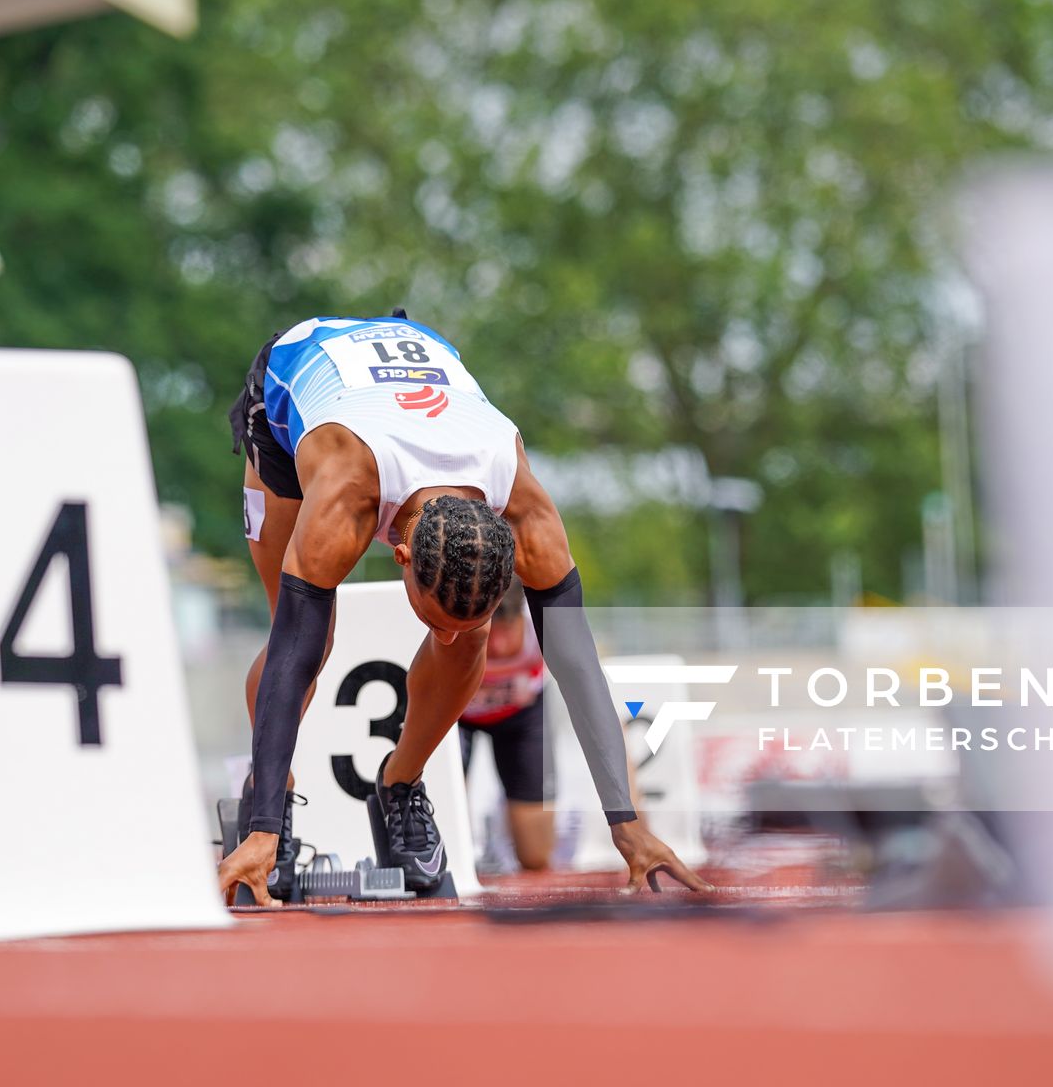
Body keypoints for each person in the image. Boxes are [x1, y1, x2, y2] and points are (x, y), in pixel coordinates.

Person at [216, 313, 710, 905]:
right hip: (296, 377)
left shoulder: (524, 511)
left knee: (471, 640)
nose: (442, 642)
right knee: (305, 639)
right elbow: (290, 657)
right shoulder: (344, 493)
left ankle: (399, 785)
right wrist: (265, 828)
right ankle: (268, 805)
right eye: (434, 622)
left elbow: (578, 669)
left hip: (413, 367)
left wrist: (629, 827)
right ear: (398, 554)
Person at [458, 584, 555, 871]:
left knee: (536, 855)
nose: (498, 646)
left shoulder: (544, 621)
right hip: (455, 717)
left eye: (507, 626)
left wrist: (633, 825)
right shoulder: (449, 615)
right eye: (489, 629)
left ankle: (503, 821)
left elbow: (598, 707)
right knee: (447, 839)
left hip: (522, 717)